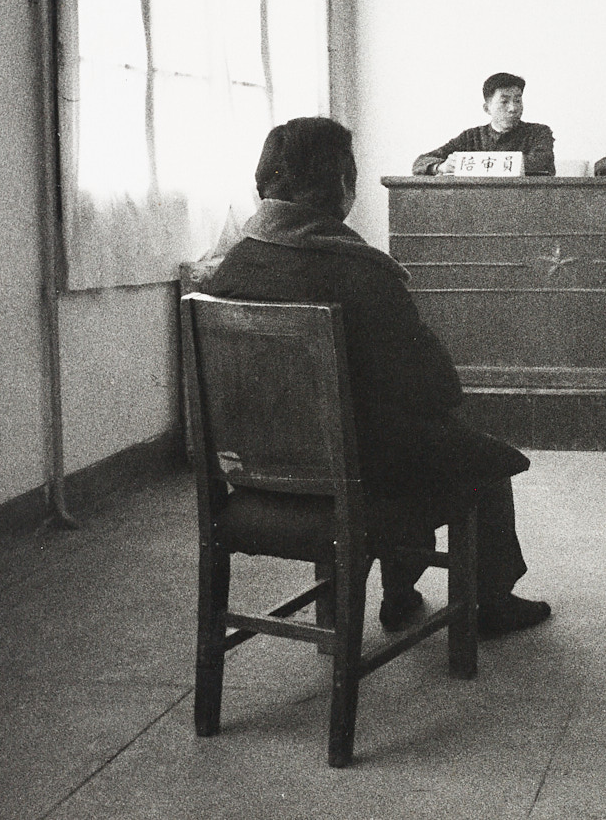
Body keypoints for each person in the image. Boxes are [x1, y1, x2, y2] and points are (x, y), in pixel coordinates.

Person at [206, 117, 552, 636]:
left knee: (404, 433)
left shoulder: (235, 264)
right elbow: (435, 386)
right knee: (477, 459)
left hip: (256, 474)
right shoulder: (360, 271)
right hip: (354, 478)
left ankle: (401, 590)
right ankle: (483, 603)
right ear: (342, 185)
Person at [411, 72, 555, 176]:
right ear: (487, 108)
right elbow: (420, 162)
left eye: (517, 100)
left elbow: (542, 163)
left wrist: (473, 164)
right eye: (504, 102)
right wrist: (440, 167)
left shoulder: (538, 133)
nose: (513, 108)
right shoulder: (471, 137)